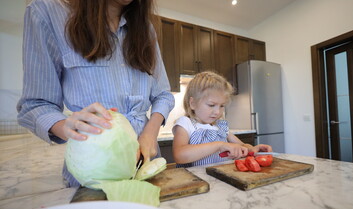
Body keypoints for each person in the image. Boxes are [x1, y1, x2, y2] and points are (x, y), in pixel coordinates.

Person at [17, 0, 175, 186]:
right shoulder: (47, 12)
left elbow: (163, 94)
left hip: (144, 168)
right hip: (92, 172)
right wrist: (67, 128)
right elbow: (35, 105)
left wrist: (150, 132)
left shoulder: (145, 29)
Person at [172, 71, 272, 167]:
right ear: (193, 103)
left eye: (222, 106)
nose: (217, 112)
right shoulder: (186, 124)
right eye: (211, 105)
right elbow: (179, 155)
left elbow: (242, 146)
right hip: (197, 181)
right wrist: (219, 145)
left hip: (220, 179)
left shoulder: (220, 126)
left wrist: (252, 149)